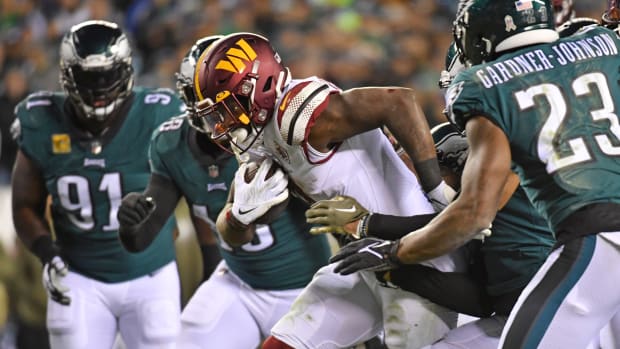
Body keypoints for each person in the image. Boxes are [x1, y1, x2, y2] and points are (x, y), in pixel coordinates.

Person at [327, 1, 620, 348]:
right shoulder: (601, 43)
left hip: (597, 238)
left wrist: (393, 251)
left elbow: (475, 213)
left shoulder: (485, 85)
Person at [193, 32, 466, 349]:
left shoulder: (298, 115)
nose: (219, 124)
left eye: (227, 108)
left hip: (415, 259)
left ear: (257, 86)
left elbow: (397, 101)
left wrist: (435, 192)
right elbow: (232, 234)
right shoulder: (256, 136)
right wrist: (240, 217)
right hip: (362, 262)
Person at [116, 36, 331, 349]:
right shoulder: (171, 144)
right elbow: (140, 237)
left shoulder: (278, 133)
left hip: (306, 289)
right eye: (202, 95)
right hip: (237, 283)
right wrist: (129, 220)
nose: (214, 107)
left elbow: (334, 204)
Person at [11, 20, 183, 349]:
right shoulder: (40, 120)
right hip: (77, 276)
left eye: (108, 75)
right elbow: (23, 205)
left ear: (127, 70)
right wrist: (47, 252)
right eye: (89, 77)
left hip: (152, 275)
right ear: (68, 75)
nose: (100, 88)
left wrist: (210, 259)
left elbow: (196, 186)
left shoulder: (160, 115)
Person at [308, 121, 556, 349]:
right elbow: (481, 301)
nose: (425, 189)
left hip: (552, 316)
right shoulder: (495, 231)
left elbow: (459, 221)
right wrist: (391, 270)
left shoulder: (503, 189)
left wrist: (370, 228)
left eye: (435, 173)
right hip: (518, 315)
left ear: (460, 162)